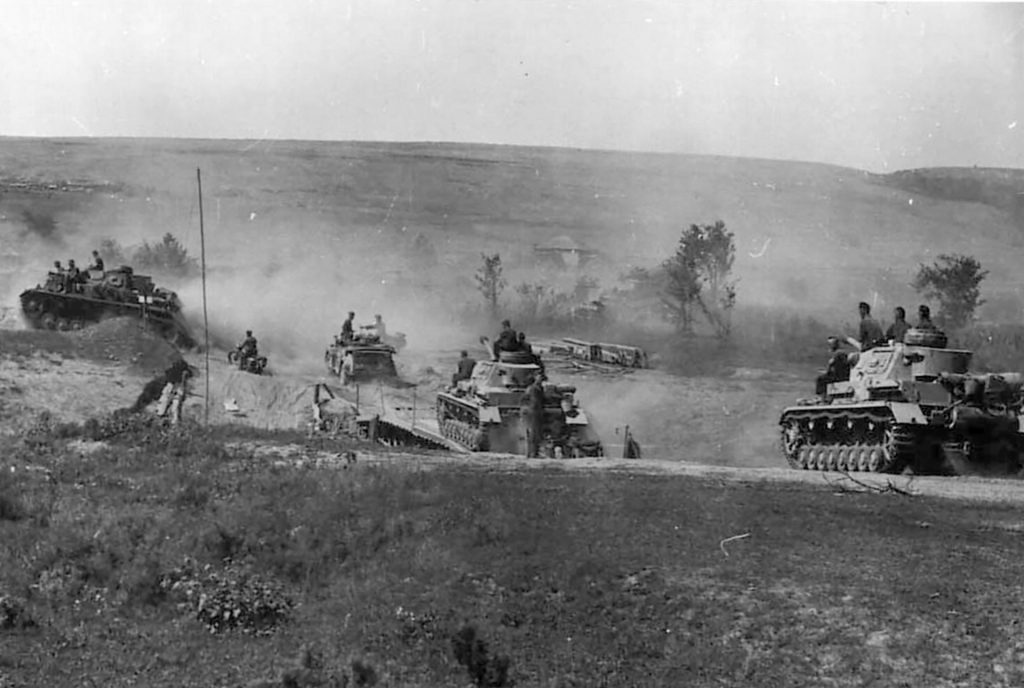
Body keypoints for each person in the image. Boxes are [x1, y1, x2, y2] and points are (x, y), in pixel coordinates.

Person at [520, 377, 546, 458]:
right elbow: (535, 402)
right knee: (533, 434)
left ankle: (532, 453)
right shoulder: (533, 389)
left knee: (534, 434)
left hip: (534, 411)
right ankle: (532, 453)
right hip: (533, 412)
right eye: (540, 380)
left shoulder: (535, 388)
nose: (542, 381)